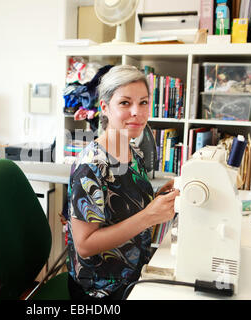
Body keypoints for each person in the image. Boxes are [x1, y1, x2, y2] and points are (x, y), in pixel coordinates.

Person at [66, 65, 180, 300]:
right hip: (102, 288)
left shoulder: (132, 150)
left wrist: (158, 200)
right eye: (125, 103)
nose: (137, 112)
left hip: (134, 273)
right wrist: (149, 216)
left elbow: (122, 208)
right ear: (105, 107)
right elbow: (85, 245)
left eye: (144, 102)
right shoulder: (91, 166)